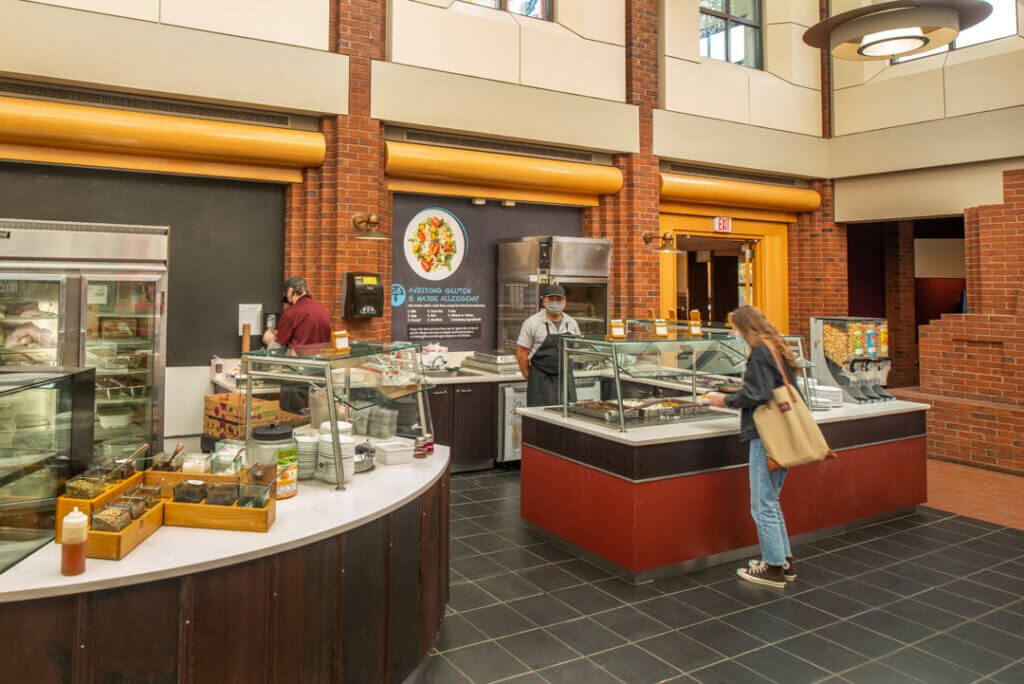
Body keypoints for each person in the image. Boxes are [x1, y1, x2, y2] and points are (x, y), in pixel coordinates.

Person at [706, 305, 801, 588]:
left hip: (767, 435)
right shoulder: (775, 347)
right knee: (772, 500)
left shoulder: (759, 352)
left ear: (744, 328)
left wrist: (723, 400)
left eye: (734, 329)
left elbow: (757, 394)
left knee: (762, 505)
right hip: (785, 434)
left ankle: (772, 568)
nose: (734, 334)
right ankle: (783, 561)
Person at [516, 284, 581, 407]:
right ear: (544, 300)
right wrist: (532, 378)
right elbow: (521, 354)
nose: (555, 303)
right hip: (540, 381)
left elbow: (574, 352)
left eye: (559, 299)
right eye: (551, 299)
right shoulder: (532, 323)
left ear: (565, 301)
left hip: (565, 380)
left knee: (568, 420)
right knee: (541, 423)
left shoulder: (571, 324)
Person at [262, 277, 332, 352]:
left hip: (298, 361)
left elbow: (278, 349)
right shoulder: (323, 311)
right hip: (321, 361)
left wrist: (269, 340)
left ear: (290, 291)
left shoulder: (290, 313)